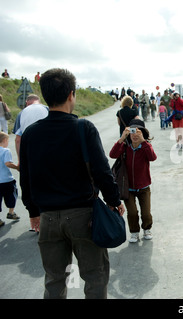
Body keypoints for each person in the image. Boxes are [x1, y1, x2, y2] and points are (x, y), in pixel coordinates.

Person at [19, 68, 125, 299]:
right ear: (71, 95)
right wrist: (114, 200)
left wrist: (33, 211)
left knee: (54, 280)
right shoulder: (82, 128)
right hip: (83, 217)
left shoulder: (30, 134)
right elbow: (101, 171)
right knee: (95, 278)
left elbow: (26, 177)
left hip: (47, 219)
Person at [109, 119, 157, 243]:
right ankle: (134, 232)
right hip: (127, 187)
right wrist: (121, 138)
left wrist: (143, 141)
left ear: (143, 134)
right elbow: (112, 155)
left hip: (144, 187)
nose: (135, 135)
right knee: (132, 213)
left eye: (138, 132)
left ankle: (147, 229)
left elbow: (152, 157)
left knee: (146, 213)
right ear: (128, 134)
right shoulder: (125, 147)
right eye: (132, 132)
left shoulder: (146, 146)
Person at [14, 94, 49, 166]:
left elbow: (18, 140)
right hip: (47, 151)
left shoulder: (21, 113)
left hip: (29, 153)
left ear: (26, 102)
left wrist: (20, 160)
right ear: (39, 101)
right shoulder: (48, 109)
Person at [0, 132, 20, 227]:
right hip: (6, 180)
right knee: (11, 195)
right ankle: (11, 212)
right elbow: (7, 163)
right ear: (4, 140)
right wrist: (16, 167)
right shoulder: (5, 151)